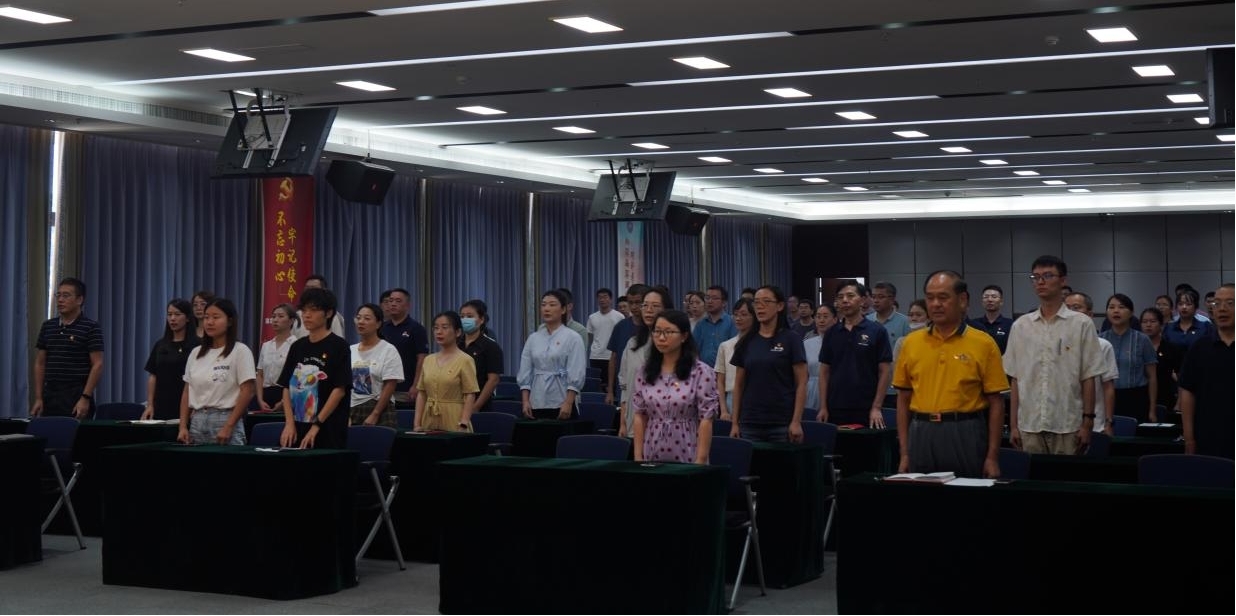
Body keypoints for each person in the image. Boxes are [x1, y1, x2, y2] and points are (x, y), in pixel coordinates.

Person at [894, 271, 1008, 478]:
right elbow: (903, 399)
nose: (935, 304)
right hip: (921, 431)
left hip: (965, 431)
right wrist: (904, 453)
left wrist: (992, 457)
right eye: (930, 298)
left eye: (943, 297)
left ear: (962, 300)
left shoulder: (983, 343)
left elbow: (996, 403)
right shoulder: (911, 343)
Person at [1003, 255, 1104, 455]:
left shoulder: (1081, 324)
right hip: (1029, 425)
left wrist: (1087, 423)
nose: (1040, 281)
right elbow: (1015, 379)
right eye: (1036, 277)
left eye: (1048, 276)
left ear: (1063, 280)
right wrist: (1013, 425)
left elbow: (1089, 377)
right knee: (1033, 475)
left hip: (1068, 424)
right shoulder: (1021, 326)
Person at [631, 310, 718, 464]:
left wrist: (700, 460)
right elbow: (640, 415)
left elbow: (706, 418)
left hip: (688, 449)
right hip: (652, 448)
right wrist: (638, 457)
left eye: (668, 332)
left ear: (684, 336)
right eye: (657, 331)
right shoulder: (644, 372)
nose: (661, 337)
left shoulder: (700, 372)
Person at [729, 285, 807, 443]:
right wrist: (735, 423)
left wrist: (796, 421)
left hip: (781, 421)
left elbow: (802, 382)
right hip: (750, 422)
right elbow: (738, 385)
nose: (760, 306)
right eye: (756, 302)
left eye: (766, 301)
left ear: (780, 306)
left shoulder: (791, 339)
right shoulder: (746, 341)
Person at [278, 288, 352, 450]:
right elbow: (286, 386)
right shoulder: (297, 346)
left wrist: (316, 425)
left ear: (328, 313)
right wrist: (289, 423)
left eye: (313, 310)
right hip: (297, 427)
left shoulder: (339, 346)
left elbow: (339, 390)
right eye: (304, 310)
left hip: (328, 428)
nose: (307, 315)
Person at [177, 298, 255, 445]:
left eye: (216, 317)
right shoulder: (196, 353)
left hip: (225, 418)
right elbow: (187, 391)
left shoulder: (240, 351)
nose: (209, 322)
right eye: (206, 317)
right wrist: (182, 426)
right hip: (197, 420)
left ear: (230, 321)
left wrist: (229, 426)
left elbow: (248, 391)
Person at [817, 280, 893, 429]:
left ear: (863, 300)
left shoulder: (877, 331)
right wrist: (823, 407)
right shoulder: (831, 333)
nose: (845, 300)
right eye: (840, 297)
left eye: (850, 296)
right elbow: (824, 372)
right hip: (835, 407)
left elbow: (885, 371)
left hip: (867, 408)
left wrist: (876, 407)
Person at [32, 277, 104, 419]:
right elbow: (40, 363)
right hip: (50, 394)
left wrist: (85, 397)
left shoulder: (91, 327)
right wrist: (39, 397)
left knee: (75, 432)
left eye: (66, 296)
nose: (60, 300)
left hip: (76, 394)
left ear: (79, 300)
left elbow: (97, 364)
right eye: (58, 295)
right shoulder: (48, 326)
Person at [1179, 284, 1234, 459]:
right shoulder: (1200, 347)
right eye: (1217, 304)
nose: (1222, 309)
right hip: (1208, 436)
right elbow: (1187, 392)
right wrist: (1189, 437)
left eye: (1230, 303)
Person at [518, 290, 587, 420]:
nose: (547, 309)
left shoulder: (573, 337)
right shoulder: (533, 338)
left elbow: (576, 371)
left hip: (562, 399)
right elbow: (525, 370)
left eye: (552, 304)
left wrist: (568, 402)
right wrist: (525, 400)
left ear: (563, 309)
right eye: (543, 305)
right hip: (536, 400)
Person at [619, 286, 671, 434]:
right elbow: (625, 386)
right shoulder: (632, 344)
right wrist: (623, 422)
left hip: (665, 424)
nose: (649, 310)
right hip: (634, 422)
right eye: (645, 305)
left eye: (655, 306)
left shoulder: (674, 343)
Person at [415, 311, 480, 432]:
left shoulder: (465, 360)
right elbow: (422, 393)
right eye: (436, 328)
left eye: (445, 327)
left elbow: (470, 394)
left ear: (458, 332)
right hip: (429, 418)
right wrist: (417, 424)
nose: (439, 332)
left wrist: (464, 423)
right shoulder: (428, 360)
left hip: (455, 418)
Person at [1100, 294, 1158, 424]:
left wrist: (1152, 409)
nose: (1116, 311)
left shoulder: (1142, 339)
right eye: (1111, 307)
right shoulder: (1100, 340)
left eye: (1121, 307)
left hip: (1136, 398)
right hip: (1106, 397)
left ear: (1131, 312)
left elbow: (1152, 377)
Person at [1065, 293, 1118, 435]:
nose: (1070, 312)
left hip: (1095, 423)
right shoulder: (1057, 345)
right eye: (1066, 308)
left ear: (1090, 314)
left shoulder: (1103, 346)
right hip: (1063, 424)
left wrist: (1108, 422)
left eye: (1076, 307)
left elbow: (1108, 387)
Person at [142, 298, 199, 420]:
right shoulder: (160, 345)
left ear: (188, 318)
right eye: (169, 314)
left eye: (177, 314)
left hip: (187, 404)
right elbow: (153, 376)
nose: (172, 318)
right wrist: (150, 404)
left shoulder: (198, 345)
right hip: (161, 405)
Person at [349, 303, 404, 427]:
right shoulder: (350, 350)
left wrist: (375, 414)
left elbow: (390, 384)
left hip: (380, 408)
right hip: (353, 408)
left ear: (378, 324)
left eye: (367, 318)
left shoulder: (388, 350)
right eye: (358, 318)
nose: (361, 322)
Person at [379, 287, 429, 405]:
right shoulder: (382, 328)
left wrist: (416, 385)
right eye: (390, 300)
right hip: (383, 387)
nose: (393, 304)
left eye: (398, 301)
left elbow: (422, 358)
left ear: (407, 305)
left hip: (406, 389)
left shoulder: (416, 328)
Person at [606, 285, 649, 407]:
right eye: (631, 303)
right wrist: (610, 391)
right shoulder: (620, 326)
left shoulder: (653, 327)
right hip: (625, 386)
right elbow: (613, 359)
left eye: (638, 302)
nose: (634, 307)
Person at [460, 299, 504, 413]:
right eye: (462, 316)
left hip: (480, 406)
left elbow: (493, 380)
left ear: (481, 319)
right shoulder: (455, 344)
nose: (465, 320)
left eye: (470, 316)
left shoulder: (491, 346)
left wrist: (476, 406)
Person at [715, 297, 754, 421]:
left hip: (755, 397)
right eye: (735, 315)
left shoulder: (760, 344)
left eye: (743, 314)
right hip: (731, 397)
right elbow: (720, 381)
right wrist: (723, 409)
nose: (738, 318)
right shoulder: (725, 346)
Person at [1139, 307, 1183, 413]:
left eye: (1153, 321)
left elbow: (1181, 379)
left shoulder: (1172, 348)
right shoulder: (1135, 348)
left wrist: (1179, 402)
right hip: (1140, 398)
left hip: (1165, 399)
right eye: (1145, 322)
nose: (1148, 325)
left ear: (1161, 324)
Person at [255, 303, 298, 412]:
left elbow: (297, 377)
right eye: (273, 316)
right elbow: (260, 375)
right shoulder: (266, 345)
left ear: (291, 321)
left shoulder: (296, 345)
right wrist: (260, 399)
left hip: (286, 395)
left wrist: (284, 401)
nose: (275, 320)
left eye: (280, 316)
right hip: (265, 395)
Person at [585, 288, 625, 389]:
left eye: (605, 297)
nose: (602, 300)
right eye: (600, 297)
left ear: (610, 299)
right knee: (597, 386)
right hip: (595, 356)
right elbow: (589, 336)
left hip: (612, 356)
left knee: (612, 385)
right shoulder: (592, 317)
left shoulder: (619, 316)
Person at [693, 285, 738, 369]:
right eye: (707, 298)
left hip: (726, 370)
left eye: (714, 298)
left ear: (724, 303)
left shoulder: (732, 323)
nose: (710, 301)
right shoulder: (700, 324)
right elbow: (693, 349)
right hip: (704, 371)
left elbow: (734, 350)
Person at [803, 303, 837, 411]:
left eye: (825, 317)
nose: (821, 320)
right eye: (818, 317)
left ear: (835, 319)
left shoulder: (842, 342)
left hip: (835, 389)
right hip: (812, 390)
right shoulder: (806, 344)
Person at [969, 284, 1014, 354]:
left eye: (994, 297)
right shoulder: (973, 324)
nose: (989, 300)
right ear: (982, 302)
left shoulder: (1011, 325)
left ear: (1001, 301)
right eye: (986, 297)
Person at [868, 282, 912, 346]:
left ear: (892, 299)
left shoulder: (905, 322)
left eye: (881, 297)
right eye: (873, 297)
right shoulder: (867, 320)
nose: (876, 301)